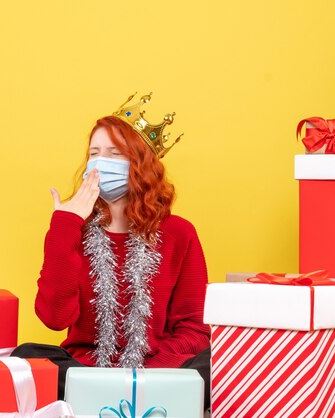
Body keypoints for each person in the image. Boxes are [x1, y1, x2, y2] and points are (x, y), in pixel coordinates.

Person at [12, 93, 211, 404]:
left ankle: (120, 395)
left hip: (158, 371)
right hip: (84, 369)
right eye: (94, 152)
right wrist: (65, 225)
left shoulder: (179, 233)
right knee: (24, 359)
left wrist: (142, 379)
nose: (99, 162)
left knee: (215, 364)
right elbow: (54, 318)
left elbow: (193, 329)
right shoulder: (70, 228)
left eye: (114, 153)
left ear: (142, 163)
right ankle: (113, 393)